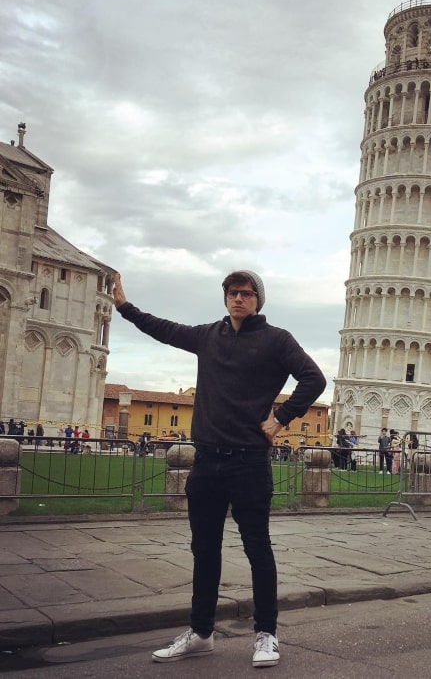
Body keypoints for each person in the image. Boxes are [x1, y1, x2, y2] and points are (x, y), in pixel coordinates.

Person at [112, 269, 326, 668]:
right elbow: (163, 329)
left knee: (257, 549)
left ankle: (266, 634)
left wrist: (280, 418)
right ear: (225, 297)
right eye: (232, 292)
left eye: (246, 293)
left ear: (258, 299)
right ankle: (201, 633)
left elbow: (314, 378)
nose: (239, 298)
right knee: (204, 551)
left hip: (248, 462)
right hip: (207, 461)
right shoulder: (208, 335)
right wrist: (125, 308)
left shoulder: (277, 340)